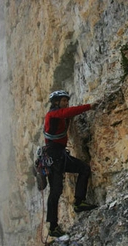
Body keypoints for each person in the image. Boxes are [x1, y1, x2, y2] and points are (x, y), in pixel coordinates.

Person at [44, 90, 99, 237]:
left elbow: (68, 113)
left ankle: (79, 202)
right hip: (53, 157)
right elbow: (66, 113)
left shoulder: (59, 115)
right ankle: (53, 227)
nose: (66, 103)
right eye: (63, 101)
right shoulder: (53, 114)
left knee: (84, 169)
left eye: (66, 101)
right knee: (55, 191)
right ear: (56, 102)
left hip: (59, 156)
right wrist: (89, 106)